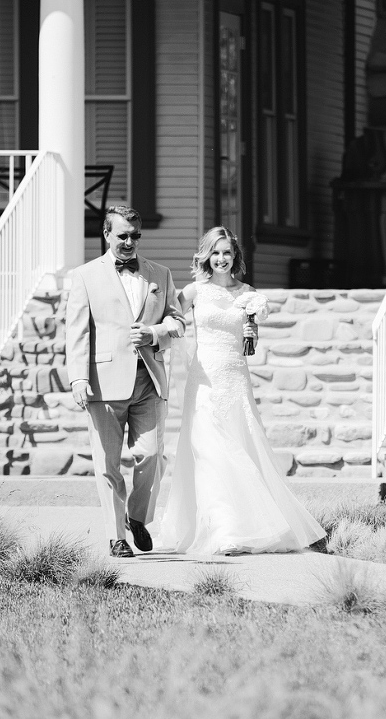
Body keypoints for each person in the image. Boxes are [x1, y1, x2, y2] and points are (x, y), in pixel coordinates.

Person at [154, 227, 326, 555]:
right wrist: (167, 331)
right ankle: (224, 530)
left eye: (227, 253)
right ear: (206, 255)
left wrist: (252, 332)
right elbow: (170, 320)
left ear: (235, 257)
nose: (221, 259)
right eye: (215, 253)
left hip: (235, 378)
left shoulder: (247, 293)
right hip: (203, 380)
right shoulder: (193, 292)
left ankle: (252, 524)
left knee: (241, 445)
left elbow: (250, 347)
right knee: (209, 451)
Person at [66, 205, 185, 558]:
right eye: (122, 235)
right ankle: (116, 536)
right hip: (103, 384)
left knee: (151, 456)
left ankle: (136, 516)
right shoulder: (85, 276)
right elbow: (76, 332)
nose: (130, 242)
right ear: (107, 235)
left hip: (149, 379)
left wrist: (154, 333)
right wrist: (77, 378)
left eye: (135, 236)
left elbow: (177, 322)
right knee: (108, 464)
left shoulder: (159, 274)